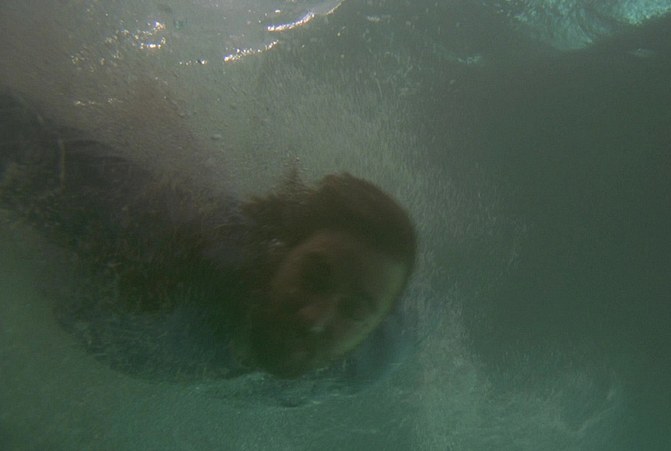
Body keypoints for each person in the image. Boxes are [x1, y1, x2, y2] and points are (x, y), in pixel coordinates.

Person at [0, 91, 418, 405]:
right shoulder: (158, 245)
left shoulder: (365, 362)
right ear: (282, 252)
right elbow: (15, 135)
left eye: (355, 310)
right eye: (313, 276)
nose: (315, 318)